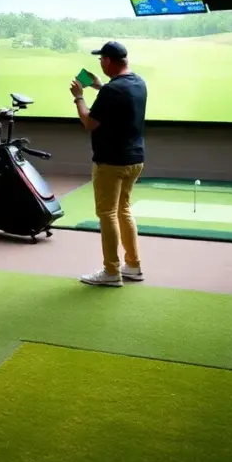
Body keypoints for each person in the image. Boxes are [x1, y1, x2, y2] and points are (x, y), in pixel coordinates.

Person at [69, 41, 148, 287]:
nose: (100, 63)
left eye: (101, 60)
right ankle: (133, 265)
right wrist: (99, 86)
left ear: (108, 61)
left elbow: (89, 122)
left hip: (111, 162)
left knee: (107, 214)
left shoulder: (112, 91)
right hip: (135, 160)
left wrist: (79, 96)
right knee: (123, 209)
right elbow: (116, 100)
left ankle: (111, 271)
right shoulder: (138, 83)